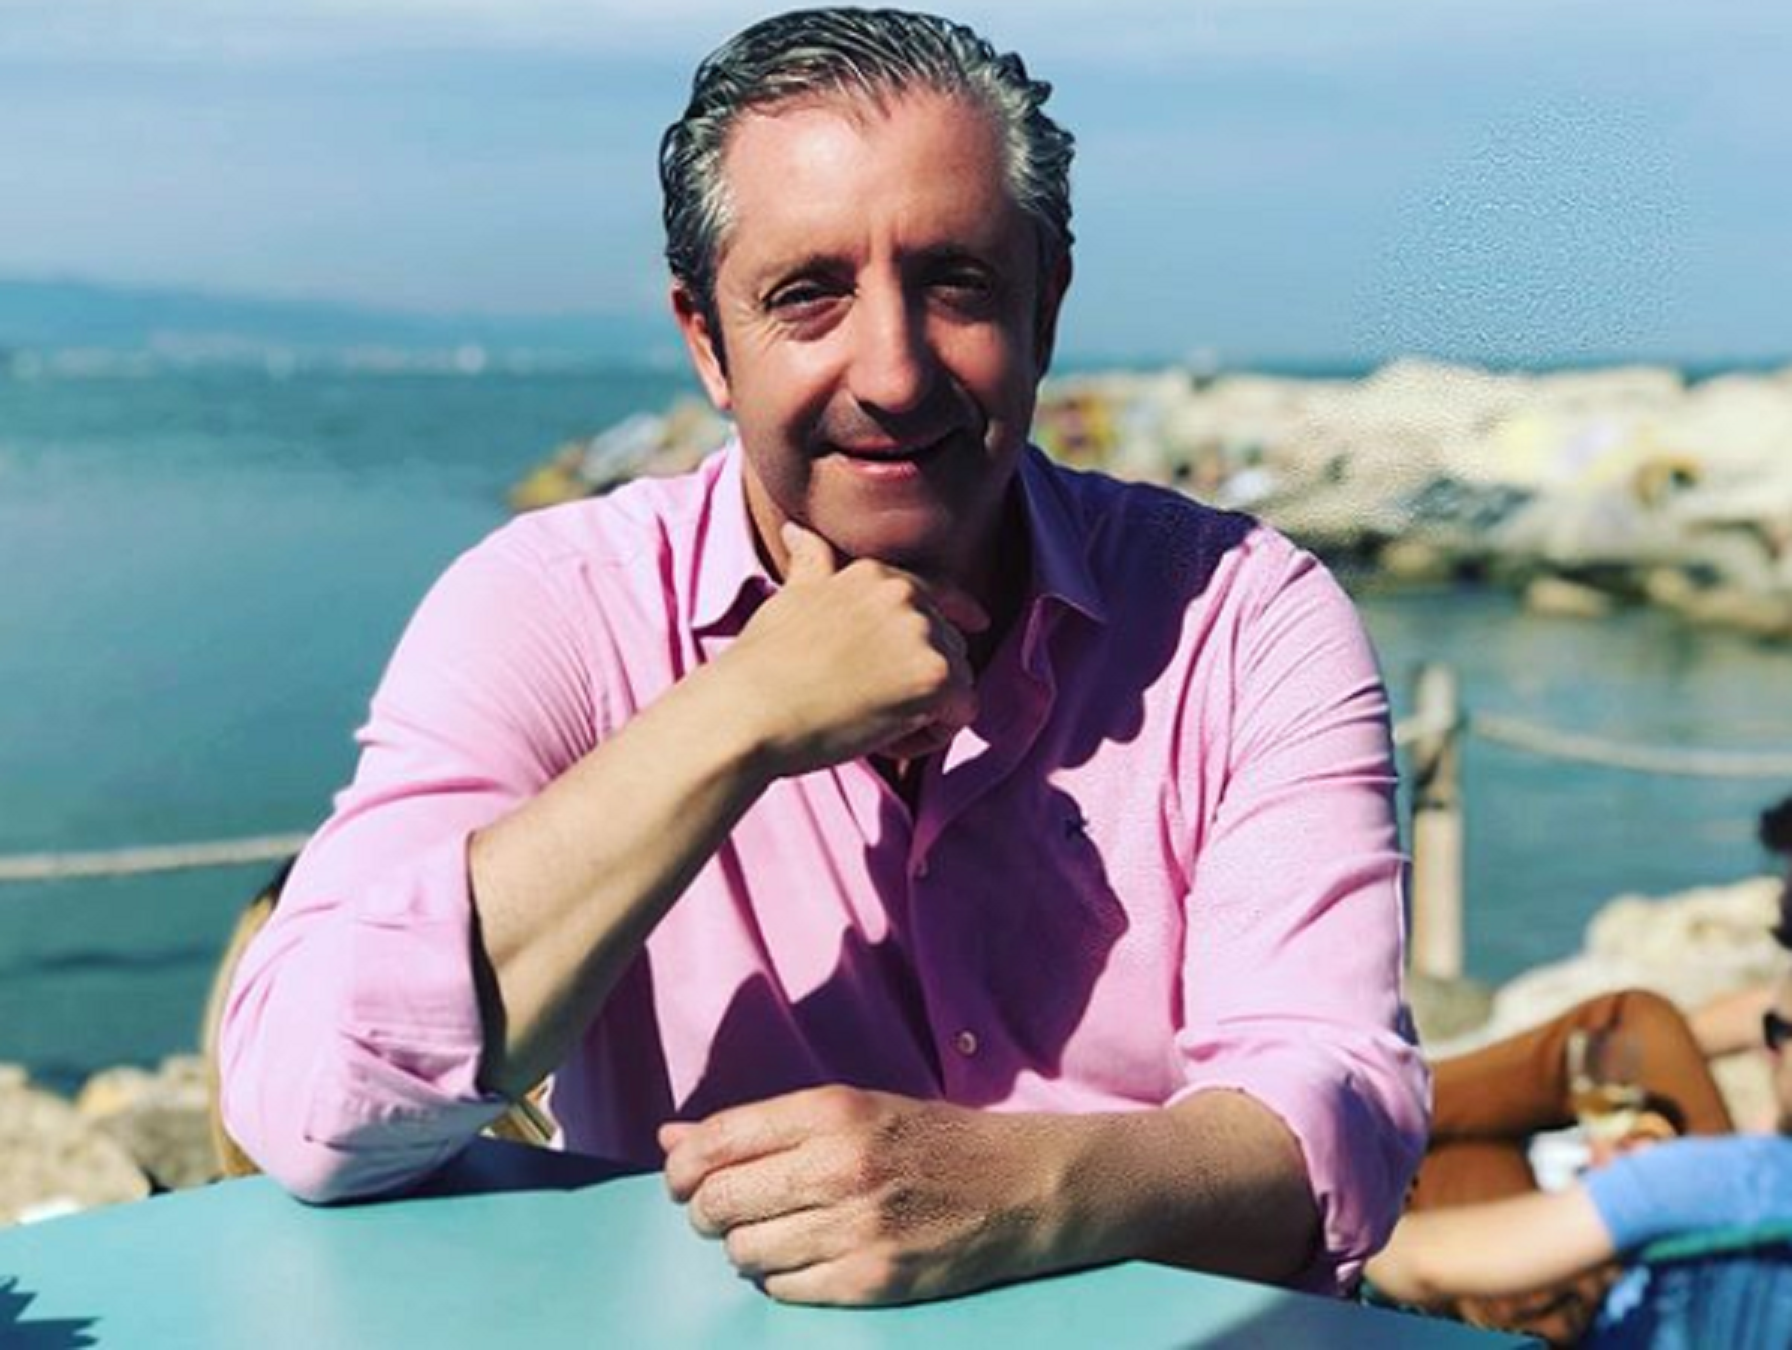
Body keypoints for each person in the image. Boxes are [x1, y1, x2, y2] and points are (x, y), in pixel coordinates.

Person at [218, 7, 1427, 1305]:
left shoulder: (1239, 618)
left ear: (1046, 305)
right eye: (809, 294)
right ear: (705, 340)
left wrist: (1021, 1191)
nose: (893, 372)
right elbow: (310, 1102)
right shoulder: (555, 606)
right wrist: (740, 715)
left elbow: (1340, 1117)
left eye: (957, 282)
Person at [1368, 793, 1792, 1344]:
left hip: (1584, 1314)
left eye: (1777, 1034)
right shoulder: (1743, 1177)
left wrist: (1336, 1214)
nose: (1763, 1051)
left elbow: (1418, 1265)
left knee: (1448, 1159)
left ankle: (1359, 1115)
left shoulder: (1711, 1179)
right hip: (1696, 1266)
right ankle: (1377, 1111)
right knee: (1631, 1022)